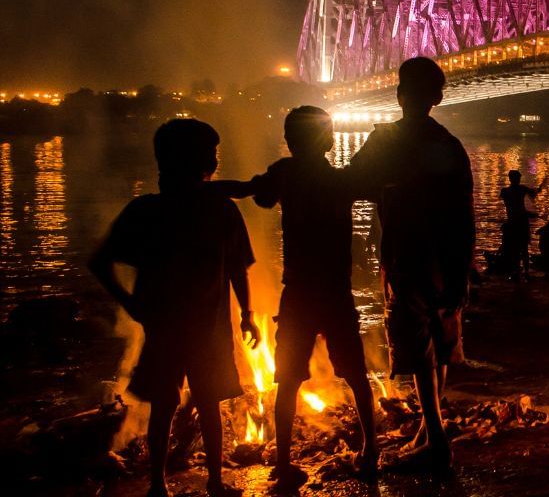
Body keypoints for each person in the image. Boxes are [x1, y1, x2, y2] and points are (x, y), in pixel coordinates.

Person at [88, 118, 260, 497]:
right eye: (212, 154)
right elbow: (238, 270)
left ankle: (158, 485)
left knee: (165, 405)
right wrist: (247, 316)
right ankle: (213, 482)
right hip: (207, 328)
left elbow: (99, 262)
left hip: (165, 327)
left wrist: (132, 305)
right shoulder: (220, 210)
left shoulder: (148, 210)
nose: (216, 160)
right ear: (200, 161)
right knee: (206, 403)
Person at [218, 106, 377, 486]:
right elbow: (378, 185)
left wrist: (200, 188)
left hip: (300, 292)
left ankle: (284, 462)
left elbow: (251, 194)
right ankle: (371, 450)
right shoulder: (340, 180)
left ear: (290, 141)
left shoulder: (286, 174)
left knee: (288, 380)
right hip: (335, 291)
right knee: (356, 374)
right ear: (329, 140)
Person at [348, 57, 475, 476]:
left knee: (417, 345)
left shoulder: (388, 140)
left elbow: (353, 183)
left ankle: (436, 441)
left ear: (400, 95)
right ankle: (427, 430)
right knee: (440, 340)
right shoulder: (450, 144)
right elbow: (465, 211)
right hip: (447, 256)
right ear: (437, 97)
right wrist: (462, 269)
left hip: (407, 255)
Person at [499, 170, 541, 280]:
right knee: (523, 248)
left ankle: (517, 271)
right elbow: (531, 196)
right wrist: (530, 214)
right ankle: (525, 272)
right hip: (521, 222)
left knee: (515, 248)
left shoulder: (505, 191)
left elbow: (512, 208)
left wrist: (535, 192)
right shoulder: (521, 189)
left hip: (512, 222)